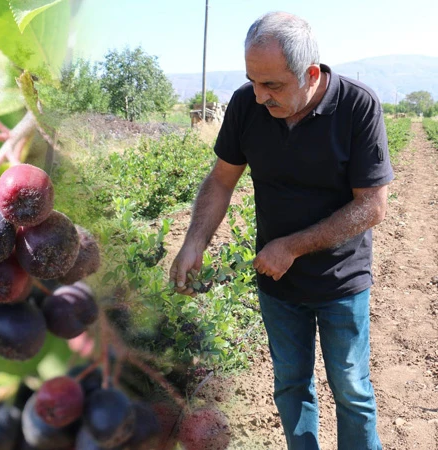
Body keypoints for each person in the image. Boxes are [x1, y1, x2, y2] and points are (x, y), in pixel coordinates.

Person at [169, 11, 392, 450]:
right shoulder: (246, 106)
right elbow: (220, 179)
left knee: (351, 390)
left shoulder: (357, 106)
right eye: (253, 80)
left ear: (310, 74)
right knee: (291, 385)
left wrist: (290, 246)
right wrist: (194, 242)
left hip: (341, 282)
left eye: (273, 85)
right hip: (277, 285)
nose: (259, 95)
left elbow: (371, 206)